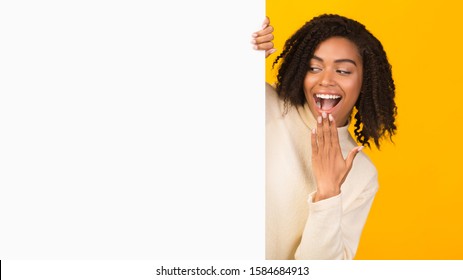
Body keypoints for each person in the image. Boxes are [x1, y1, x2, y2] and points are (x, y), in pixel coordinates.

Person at [252, 15, 397, 259]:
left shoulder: (362, 173)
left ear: (365, 81)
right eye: (314, 68)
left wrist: (328, 193)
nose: (326, 80)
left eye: (342, 70)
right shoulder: (264, 103)